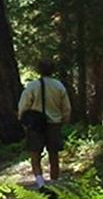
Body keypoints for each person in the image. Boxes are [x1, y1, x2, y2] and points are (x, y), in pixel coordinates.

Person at [17, 59, 71, 188]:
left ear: (38, 71)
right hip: (54, 124)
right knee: (54, 154)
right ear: (53, 70)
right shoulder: (59, 86)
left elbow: (24, 105)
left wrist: (22, 119)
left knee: (35, 154)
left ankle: (41, 184)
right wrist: (65, 120)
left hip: (35, 125)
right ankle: (54, 184)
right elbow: (66, 107)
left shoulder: (32, 86)